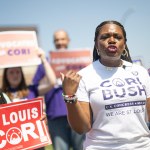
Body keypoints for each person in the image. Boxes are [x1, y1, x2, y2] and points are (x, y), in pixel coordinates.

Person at [61, 20, 150, 150]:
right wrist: (70, 96)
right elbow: (82, 128)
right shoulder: (84, 76)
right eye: (105, 37)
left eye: (118, 37)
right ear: (96, 44)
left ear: (124, 44)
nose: (112, 40)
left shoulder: (140, 72)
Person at [1, 48, 56, 150]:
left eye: (17, 72)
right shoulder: (2, 95)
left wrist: (43, 59)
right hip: (14, 142)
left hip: (34, 142)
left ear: (21, 74)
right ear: (6, 76)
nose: (15, 75)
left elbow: (52, 82)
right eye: (11, 72)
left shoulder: (31, 90)